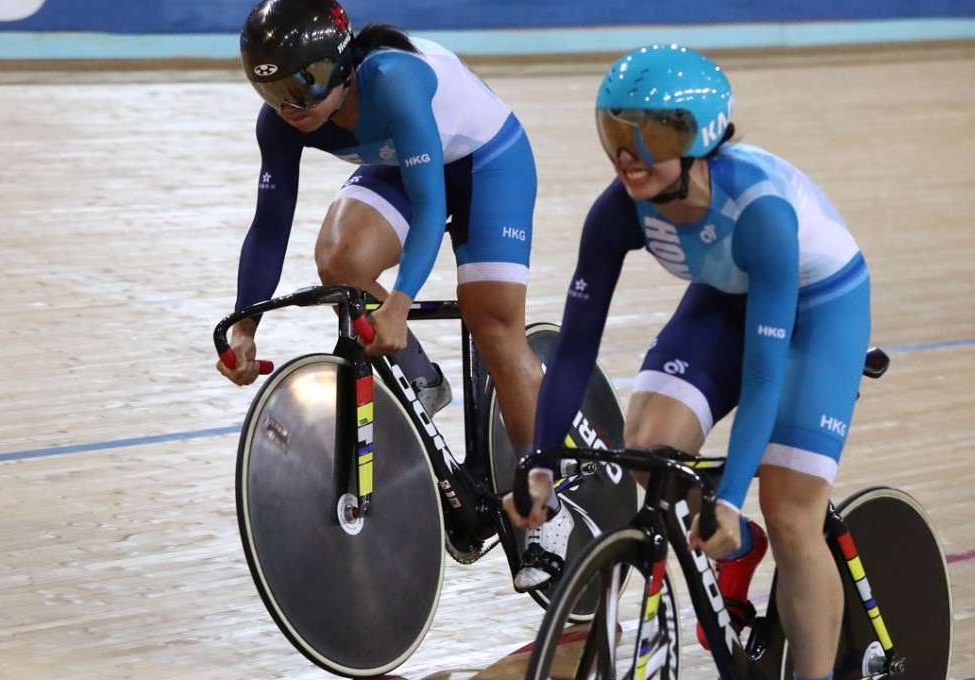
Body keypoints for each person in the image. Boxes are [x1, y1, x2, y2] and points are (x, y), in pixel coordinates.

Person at [503, 44, 870, 680]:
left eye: (649, 137)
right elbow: (576, 348)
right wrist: (540, 463)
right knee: (649, 447)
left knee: (790, 513)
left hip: (819, 310)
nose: (627, 156)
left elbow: (764, 374)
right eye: (616, 134)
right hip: (727, 296)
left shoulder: (760, 214)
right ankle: (738, 549)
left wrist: (732, 494)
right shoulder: (618, 211)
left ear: (700, 139)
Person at [217, 0, 549, 583]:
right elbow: (269, 225)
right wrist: (245, 324)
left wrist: (400, 302)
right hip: (403, 161)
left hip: (487, 163)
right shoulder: (283, 121)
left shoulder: (392, 79)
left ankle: (546, 505)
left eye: (303, 86)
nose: (291, 107)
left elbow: (431, 205)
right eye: (273, 92)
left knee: (493, 325)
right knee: (340, 261)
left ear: (340, 65)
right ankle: (423, 378)